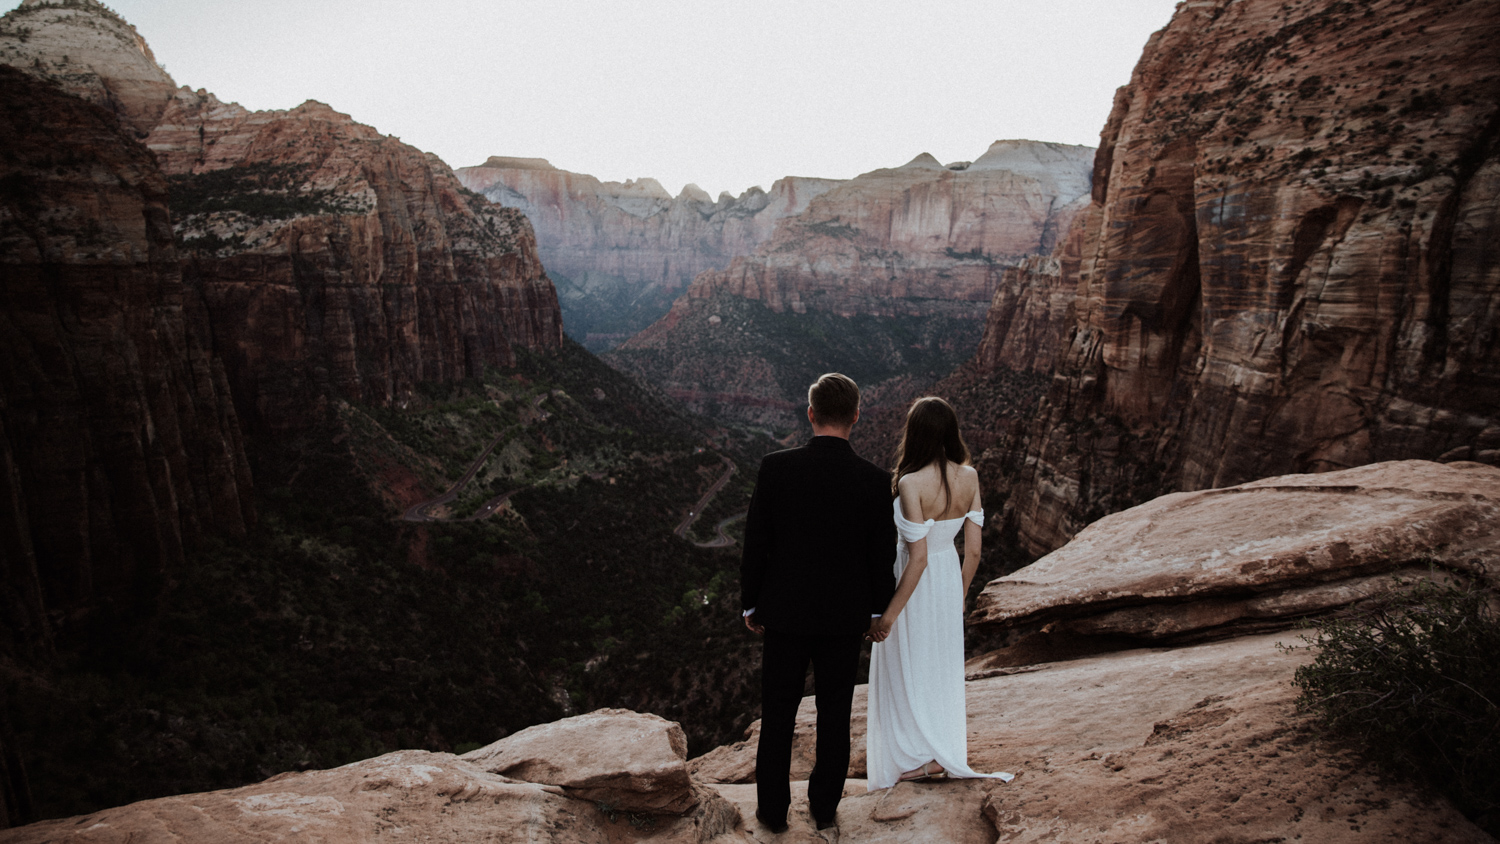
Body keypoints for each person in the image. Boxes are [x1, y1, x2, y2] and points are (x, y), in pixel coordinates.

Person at [741, 373, 897, 832]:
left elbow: (756, 542)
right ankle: (824, 808)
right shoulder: (874, 480)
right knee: (834, 714)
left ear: (810, 413)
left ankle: (772, 812)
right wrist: (874, 611)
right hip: (844, 619)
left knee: (778, 715)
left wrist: (752, 604)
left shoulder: (776, 466)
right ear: (855, 416)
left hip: (784, 613)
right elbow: (881, 554)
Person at [864, 396, 1014, 790]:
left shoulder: (911, 483)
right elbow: (976, 550)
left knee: (906, 665)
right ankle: (936, 752)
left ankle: (914, 758)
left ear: (915, 435)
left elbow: (917, 558)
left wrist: (888, 616)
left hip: (914, 582)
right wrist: (958, 594)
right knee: (939, 666)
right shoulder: (970, 476)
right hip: (948, 577)